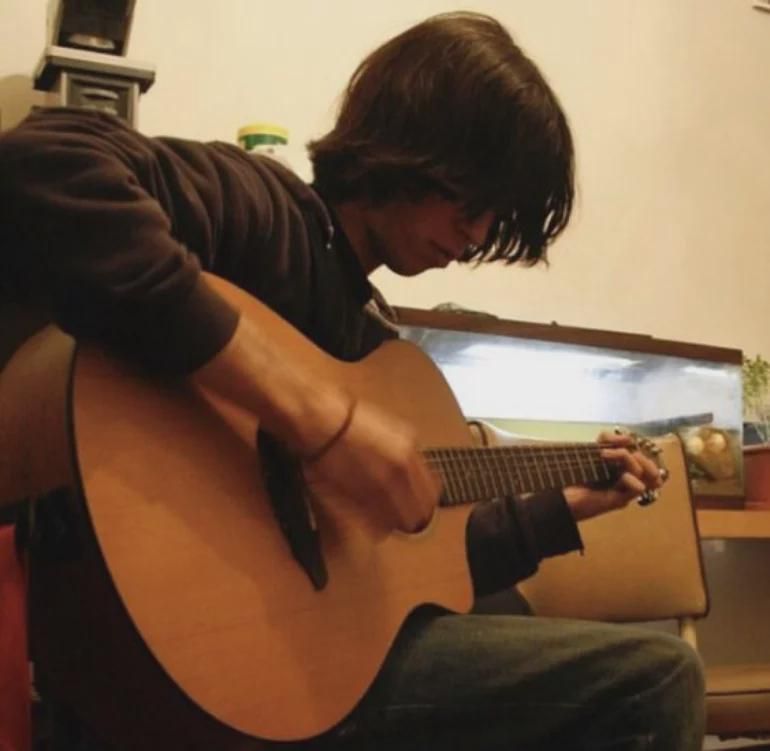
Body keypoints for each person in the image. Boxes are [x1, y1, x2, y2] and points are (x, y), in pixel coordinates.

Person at [0, 11, 704, 751]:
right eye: (473, 200)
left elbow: (415, 581)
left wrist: (565, 508)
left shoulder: (375, 337)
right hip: (186, 660)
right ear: (417, 141)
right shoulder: (270, 216)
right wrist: (321, 423)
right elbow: (41, 167)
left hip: (305, 667)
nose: (475, 236)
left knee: (514, 616)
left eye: (495, 220)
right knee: (655, 681)